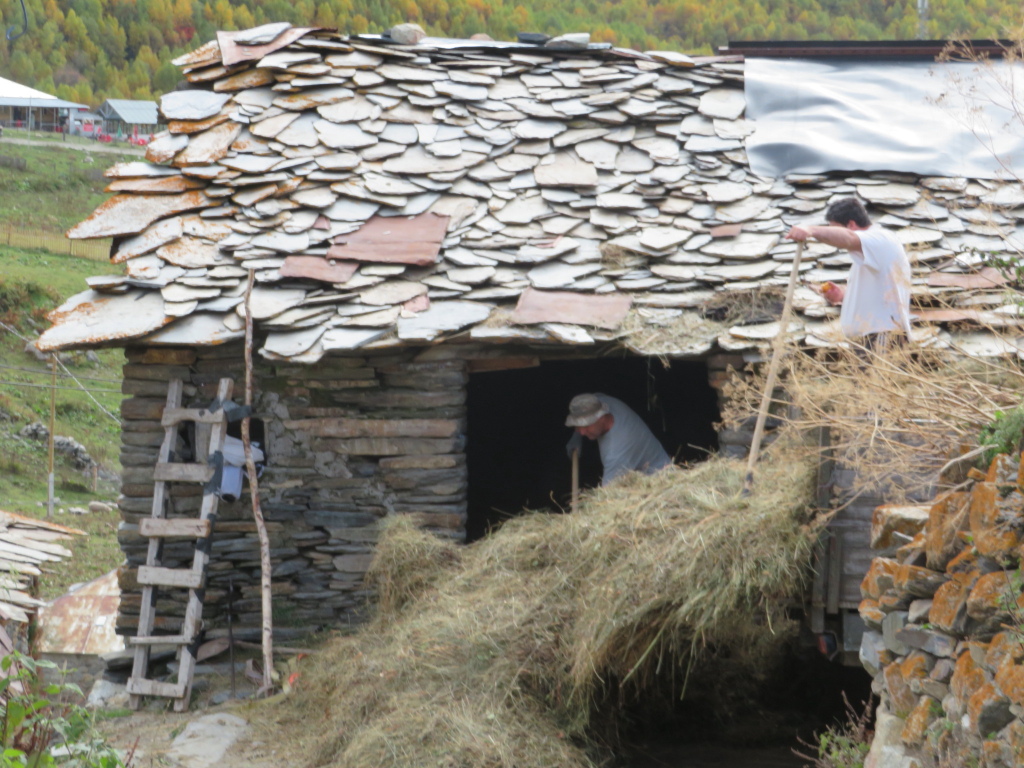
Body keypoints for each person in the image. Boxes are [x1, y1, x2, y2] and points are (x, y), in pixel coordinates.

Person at [786, 197, 912, 347]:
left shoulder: (880, 239)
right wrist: (842, 295)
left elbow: (849, 238)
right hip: (871, 338)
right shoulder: (870, 250)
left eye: (834, 228)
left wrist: (811, 230)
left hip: (883, 337)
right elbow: (874, 293)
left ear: (851, 224)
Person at [565, 393, 671, 486]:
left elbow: (607, 498)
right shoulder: (601, 401)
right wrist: (576, 435)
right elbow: (591, 399)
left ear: (601, 418)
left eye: (586, 425)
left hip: (659, 480)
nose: (582, 432)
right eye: (578, 425)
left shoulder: (616, 451)